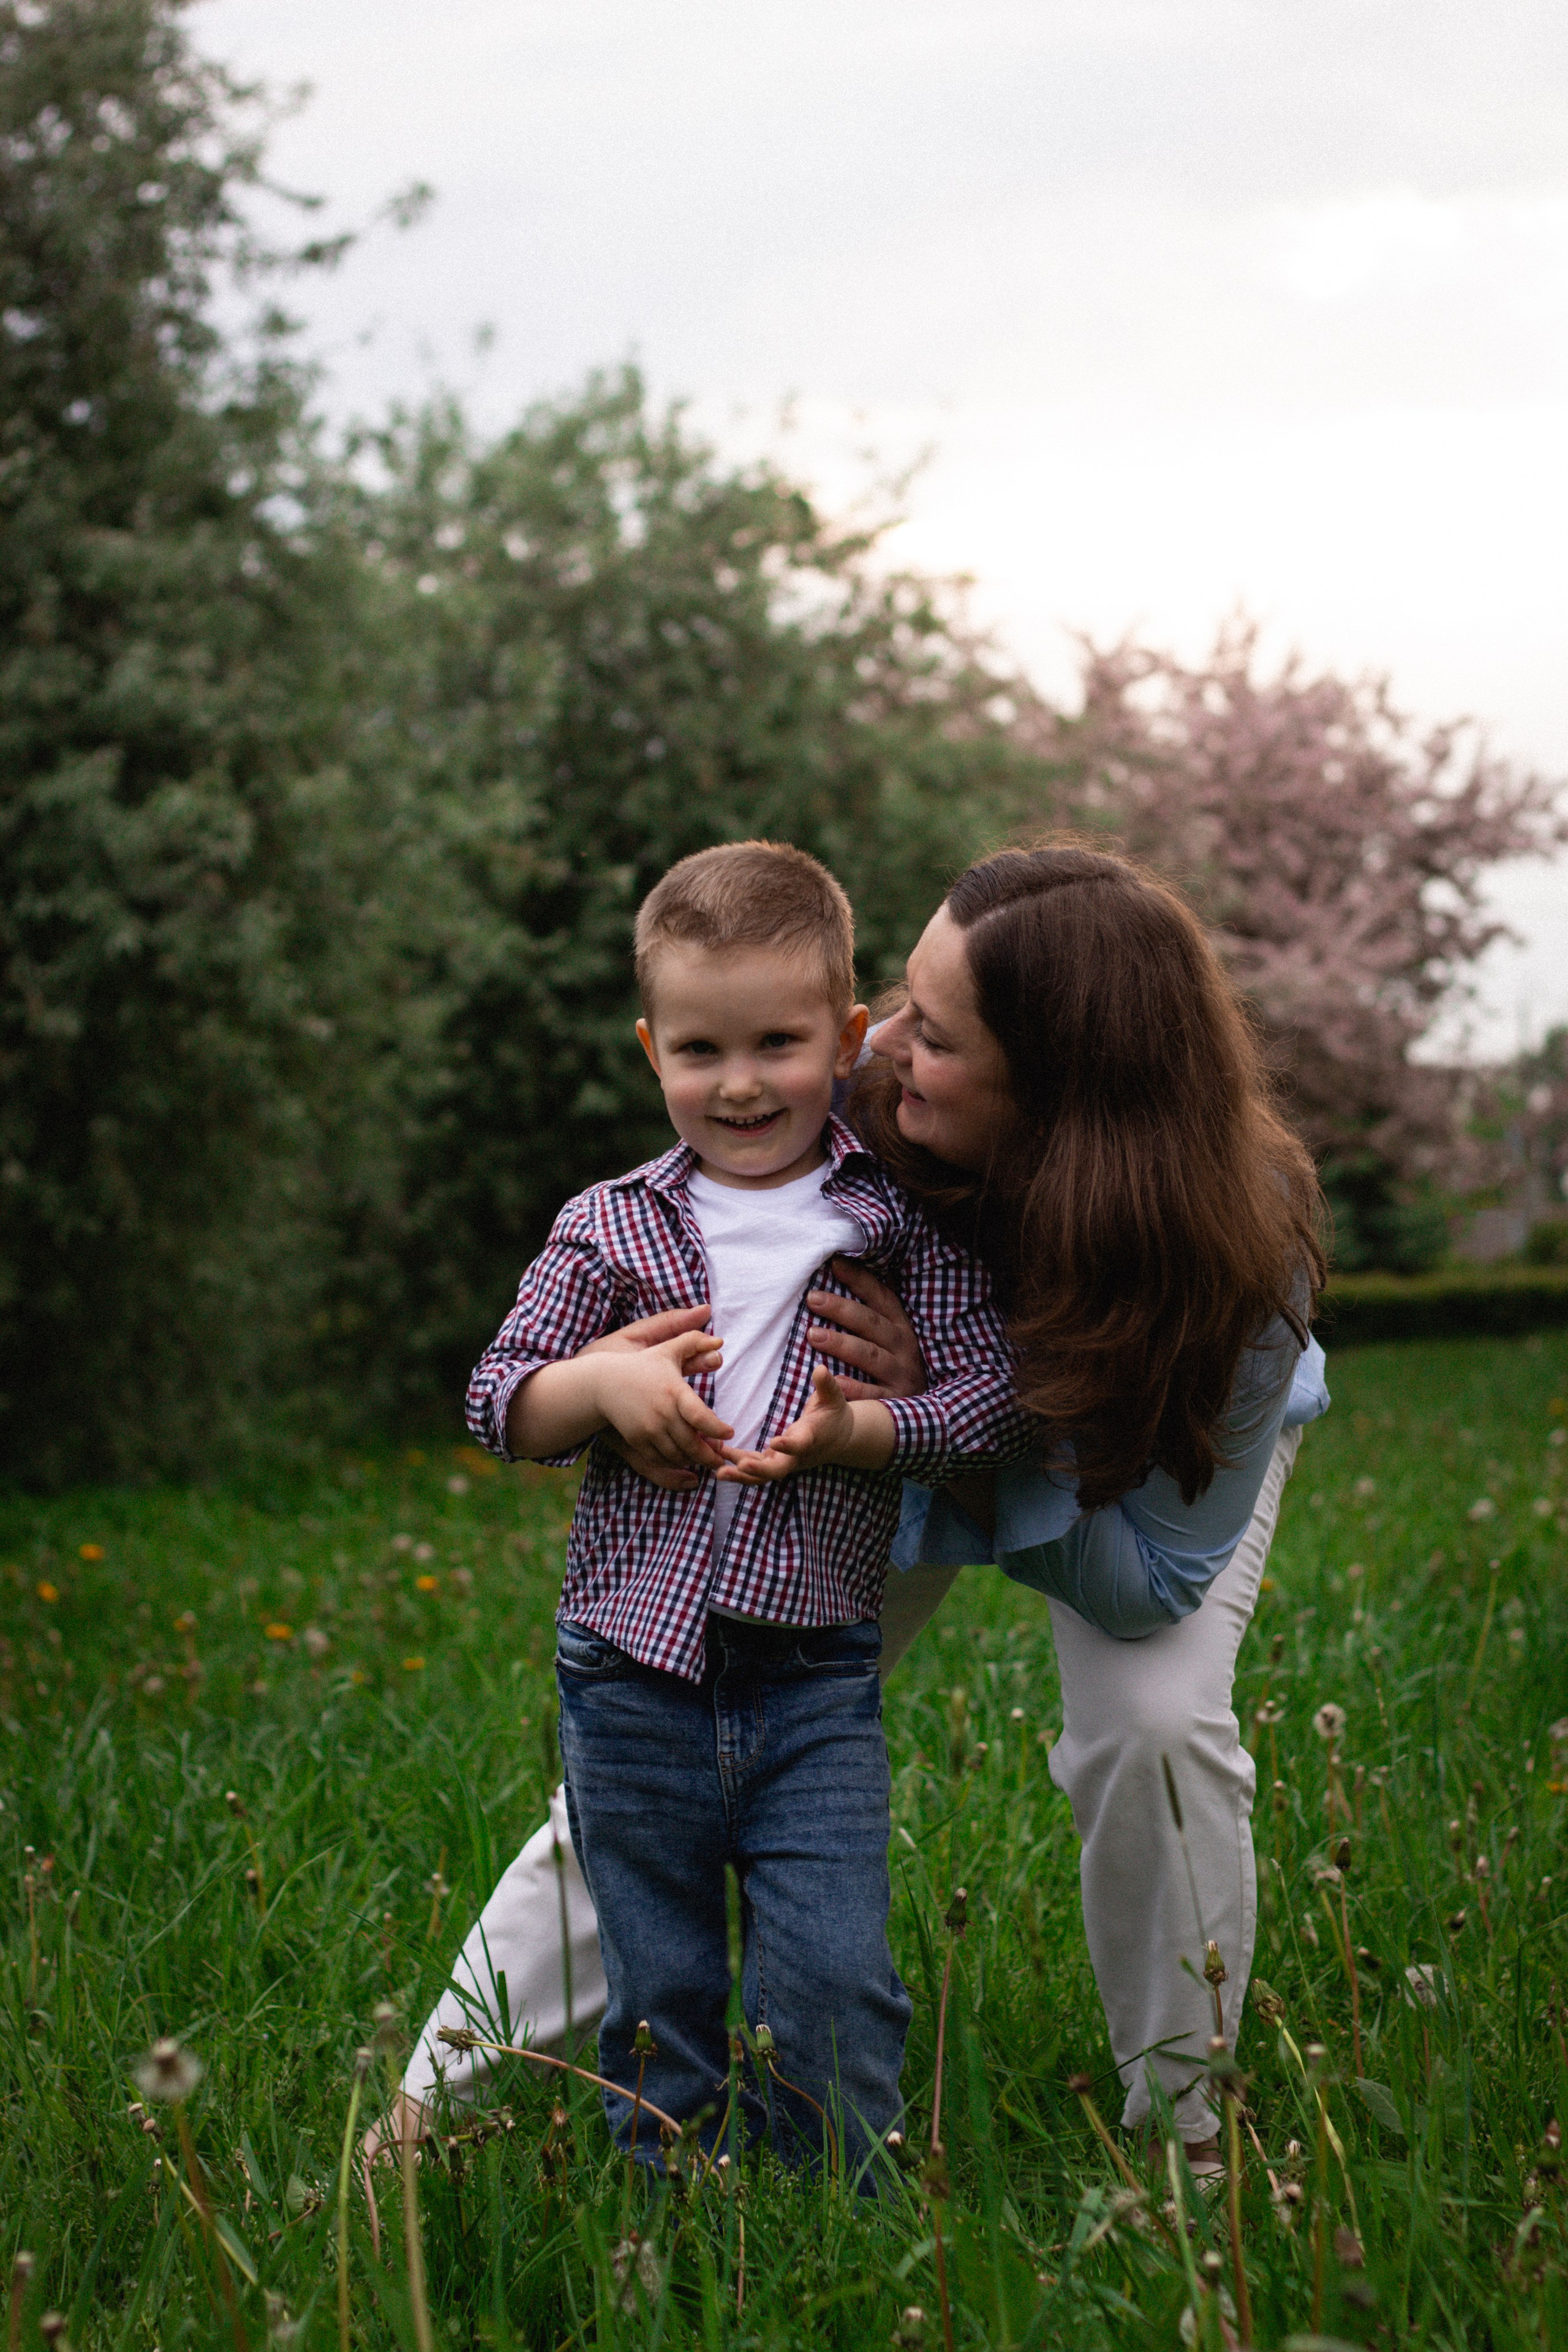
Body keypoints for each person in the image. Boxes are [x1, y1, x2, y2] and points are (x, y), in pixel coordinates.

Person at [385, 842, 1328, 2174]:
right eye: (897, 997)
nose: (878, 1043)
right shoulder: (865, 1117)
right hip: (852, 1445)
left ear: (1055, 1089)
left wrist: (936, 1425)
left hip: (1107, 1479)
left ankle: (1185, 2142)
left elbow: (1143, 1586)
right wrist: (836, 1422)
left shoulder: (1233, 1240)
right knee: (675, 1714)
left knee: (1154, 1725)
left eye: (932, 1033)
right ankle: (432, 2099)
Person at [459, 840, 1031, 2169]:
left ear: (843, 1040)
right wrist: (597, 1386)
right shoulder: (607, 1225)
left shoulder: (891, 1227)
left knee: (834, 1978)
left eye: (776, 1042)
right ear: (652, 1050)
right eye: (699, 1050)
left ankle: (833, 2210)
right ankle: (669, 2217)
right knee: (658, 1996)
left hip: (812, 1678)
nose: (737, 1083)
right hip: (627, 1674)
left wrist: (862, 1435)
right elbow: (498, 1399)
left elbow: (991, 1403)